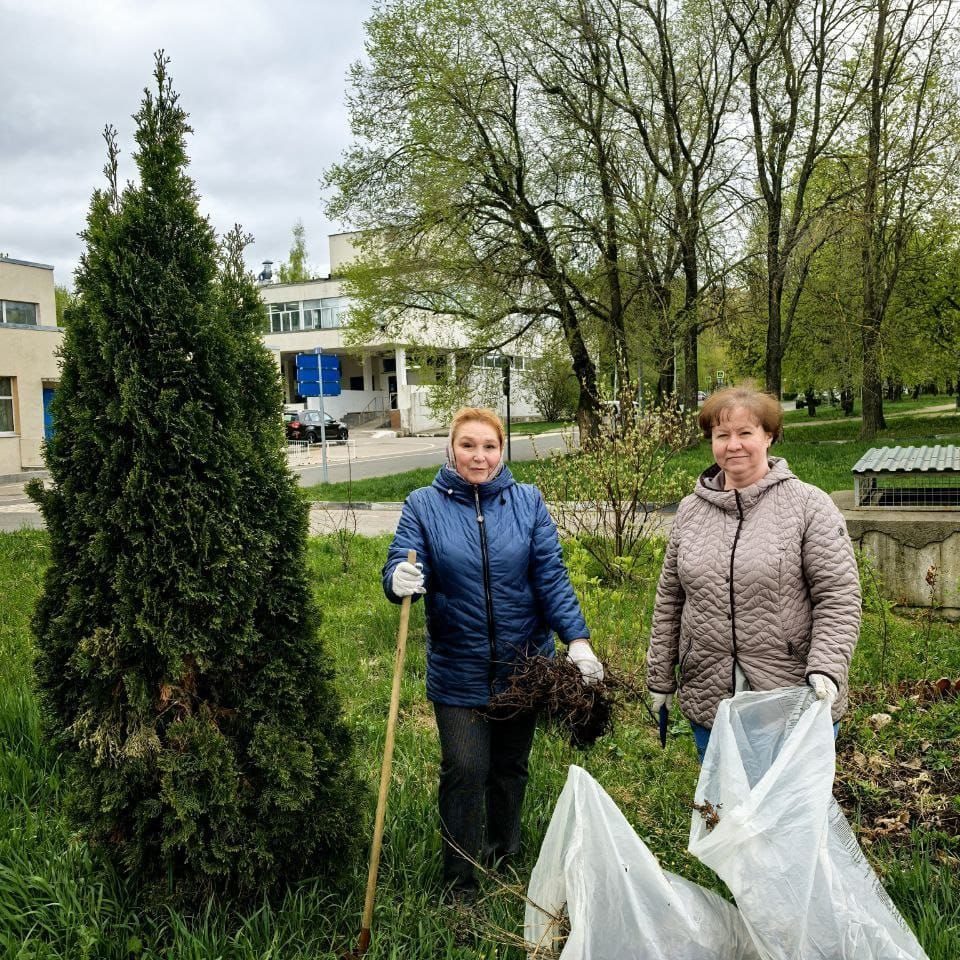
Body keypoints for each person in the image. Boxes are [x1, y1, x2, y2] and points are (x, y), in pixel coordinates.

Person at [383, 406, 602, 902]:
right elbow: (402, 557)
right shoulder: (423, 505)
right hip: (457, 668)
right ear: (451, 448)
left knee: (509, 768)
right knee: (464, 769)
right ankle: (459, 882)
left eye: (489, 446)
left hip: (524, 668)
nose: (478, 456)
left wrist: (577, 640)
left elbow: (551, 576)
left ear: (502, 451)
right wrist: (398, 579)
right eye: (468, 445)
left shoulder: (528, 502)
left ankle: (503, 854)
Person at [646, 387, 861, 762]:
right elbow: (670, 600)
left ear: (769, 436)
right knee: (725, 797)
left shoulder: (809, 505)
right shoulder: (690, 511)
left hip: (792, 692)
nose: (733, 445)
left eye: (745, 433)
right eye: (722, 435)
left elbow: (838, 597)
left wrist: (826, 668)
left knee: (790, 800)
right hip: (710, 691)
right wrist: (660, 676)